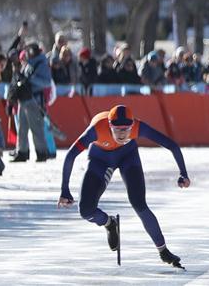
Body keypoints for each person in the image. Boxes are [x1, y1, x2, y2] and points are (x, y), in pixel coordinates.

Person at [57, 104, 189, 268]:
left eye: (126, 129)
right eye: (117, 129)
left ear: (132, 125)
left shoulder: (139, 127)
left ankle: (163, 251)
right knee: (85, 210)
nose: (122, 133)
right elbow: (70, 155)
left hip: (128, 157)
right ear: (109, 125)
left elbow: (171, 145)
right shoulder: (97, 129)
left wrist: (183, 173)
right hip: (100, 160)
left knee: (139, 204)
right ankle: (109, 223)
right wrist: (65, 189)